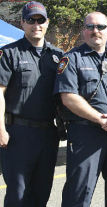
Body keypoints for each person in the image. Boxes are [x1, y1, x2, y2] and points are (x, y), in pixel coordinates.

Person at [54, 12, 107, 207]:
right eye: (90, 27)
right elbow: (68, 97)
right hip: (85, 134)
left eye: (101, 27)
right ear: (83, 31)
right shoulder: (71, 59)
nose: (96, 31)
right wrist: (100, 119)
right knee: (79, 193)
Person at [0, 1, 63, 206]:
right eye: (30, 20)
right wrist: (1, 130)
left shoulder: (58, 56)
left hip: (48, 134)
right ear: (22, 23)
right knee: (18, 195)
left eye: (40, 20)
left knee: (42, 192)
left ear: (47, 23)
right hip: (17, 133)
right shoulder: (9, 53)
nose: (36, 24)